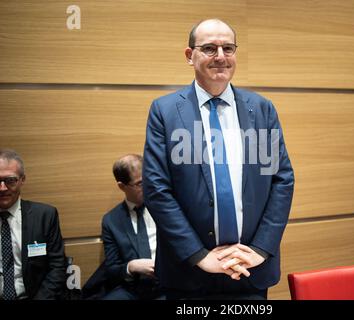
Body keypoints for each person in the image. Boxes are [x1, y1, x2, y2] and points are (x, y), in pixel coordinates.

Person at [143, 19, 294, 299]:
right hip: (189, 273)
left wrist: (260, 249)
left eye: (228, 48)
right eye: (210, 48)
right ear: (190, 56)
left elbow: (281, 181)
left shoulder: (261, 109)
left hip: (249, 270)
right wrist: (199, 255)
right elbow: (156, 189)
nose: (221, 57)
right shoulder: (164, 111)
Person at [0, 148, 66, 300]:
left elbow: (57, 266)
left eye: (10, 180)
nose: (2, 188)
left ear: (22, 179)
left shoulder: (45, 215)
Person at [101, 154, 160, 299]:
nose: (148, 187)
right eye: (140, 184)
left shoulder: (164, 208)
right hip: (132, 288)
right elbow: (112, 270)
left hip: (167, 282)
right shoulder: (111, 220)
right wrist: (131, 266)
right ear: (122, 186)